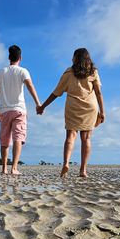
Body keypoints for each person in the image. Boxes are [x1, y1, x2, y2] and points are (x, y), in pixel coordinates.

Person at [37, 48, 105, 178]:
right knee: (86, 138)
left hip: (73, 106)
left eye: (73, 56)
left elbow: (56, 92)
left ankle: (66, 163)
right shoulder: (93, 72)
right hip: (90, 107)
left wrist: (43, 106)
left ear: (75, 58)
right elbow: (98, 93)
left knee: (70, 137)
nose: (71, 59)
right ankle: (83, 170)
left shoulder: (68, 73)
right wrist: (102, 111)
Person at [0, 45, 41, 175]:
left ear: (9, 57)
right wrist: (38, 103)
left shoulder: (0, 72)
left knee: (4, 140)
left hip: (4, 110)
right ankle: (14, 168)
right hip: (19, 110)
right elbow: (30, 86)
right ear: (20, 58)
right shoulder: (23, 71)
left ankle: (4, 168)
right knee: (18, 138)